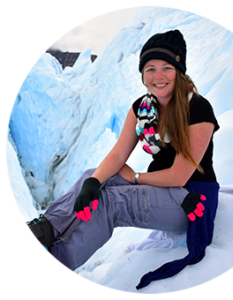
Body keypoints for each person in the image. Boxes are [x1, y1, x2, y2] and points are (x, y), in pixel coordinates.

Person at [27, 29, 220, 288]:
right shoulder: (142, 108)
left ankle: (54, 264)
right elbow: (119, 154)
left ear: (179, 71)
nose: (158, 76)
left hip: (191, 200)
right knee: (93, 177)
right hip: (161, 190)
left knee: (111, 203)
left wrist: (137, 177)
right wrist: (93, 182)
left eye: (167, 68)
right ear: (142, 73)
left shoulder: (198, 109)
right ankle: (45, 231)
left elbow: (179, 175)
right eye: (150, 68)